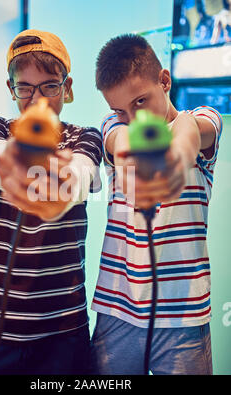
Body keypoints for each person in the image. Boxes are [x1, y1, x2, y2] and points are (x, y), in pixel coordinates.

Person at [0, 29, 102, 375]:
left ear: (67, 86)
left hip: (63, 327)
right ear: (11, 88)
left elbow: (78, 181)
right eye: (25, 88)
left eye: (50, 86)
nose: (38, 100)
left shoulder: (85, 137)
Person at [90, 33, 222, 375]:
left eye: (140, 102)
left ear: (165, 80)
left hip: (184, 316)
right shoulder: (113, 126)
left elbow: (190, 133)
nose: (133, 119)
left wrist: (173, 160)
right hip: (117, 308)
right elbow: (119, 142)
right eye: (120, 109)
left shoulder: (199, 118)